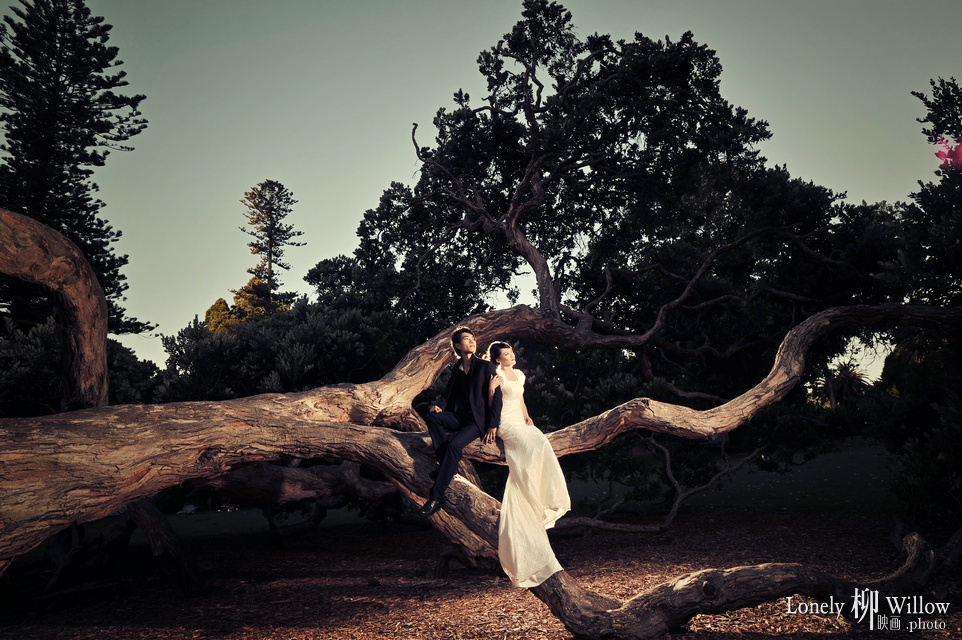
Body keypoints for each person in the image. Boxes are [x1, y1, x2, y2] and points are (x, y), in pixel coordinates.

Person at [484, 341, 570, 588]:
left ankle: (541, 493)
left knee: (541, 441)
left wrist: (527, 415)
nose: (511, 356)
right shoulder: (496, 375)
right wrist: (490, 390)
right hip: (505, 423)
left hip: (519, 420)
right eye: (506, 354)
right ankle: (530, 489)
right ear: (497, 359)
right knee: (530, 447)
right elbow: (490, 404)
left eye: (511, 352)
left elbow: (520, 398)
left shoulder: (519, 374)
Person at [420, 326, 503, 516]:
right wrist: (440, 406)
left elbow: (497, 397)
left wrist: (492, 425)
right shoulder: (457, 369)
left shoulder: (485, 366)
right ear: (458, 345)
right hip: (459, 416)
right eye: (466, 338)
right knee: (433, 417)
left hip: (477, 421)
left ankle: (436, 497)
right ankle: (447, 468)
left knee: (454, 445)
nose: (472, 340)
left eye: (473, 338)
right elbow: (447, 393)